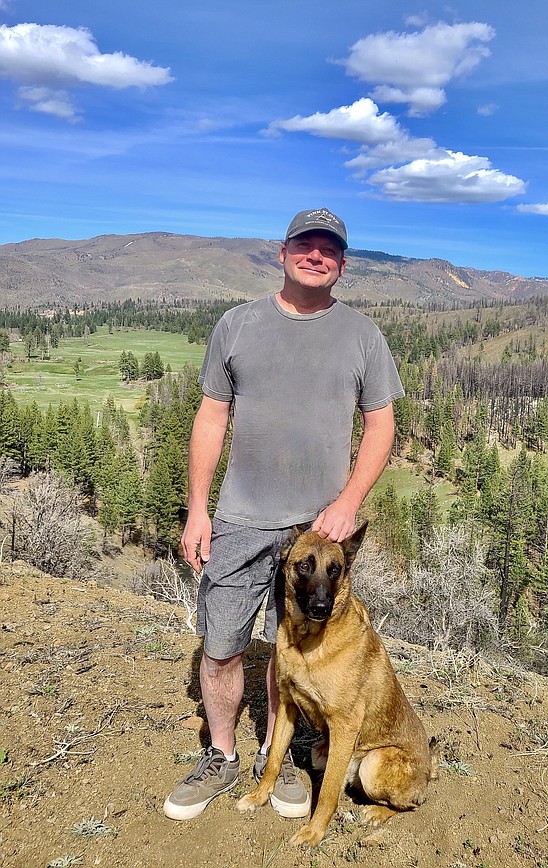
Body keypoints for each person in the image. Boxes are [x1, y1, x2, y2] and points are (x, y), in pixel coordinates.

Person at [163, 207, 404, 822]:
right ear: (283, 251)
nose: (316, 254)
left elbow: (381, 427)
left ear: (343, 263)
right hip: (242, 515)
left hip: (319, 528)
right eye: (306, 244)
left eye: (329, 248)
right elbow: (211, 419)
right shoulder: (237, 326)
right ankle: (220, 756)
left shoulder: (363, 336)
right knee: (220, 644)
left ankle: (276, 752)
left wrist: (348, 503)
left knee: (289, 651)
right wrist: (198, 507)